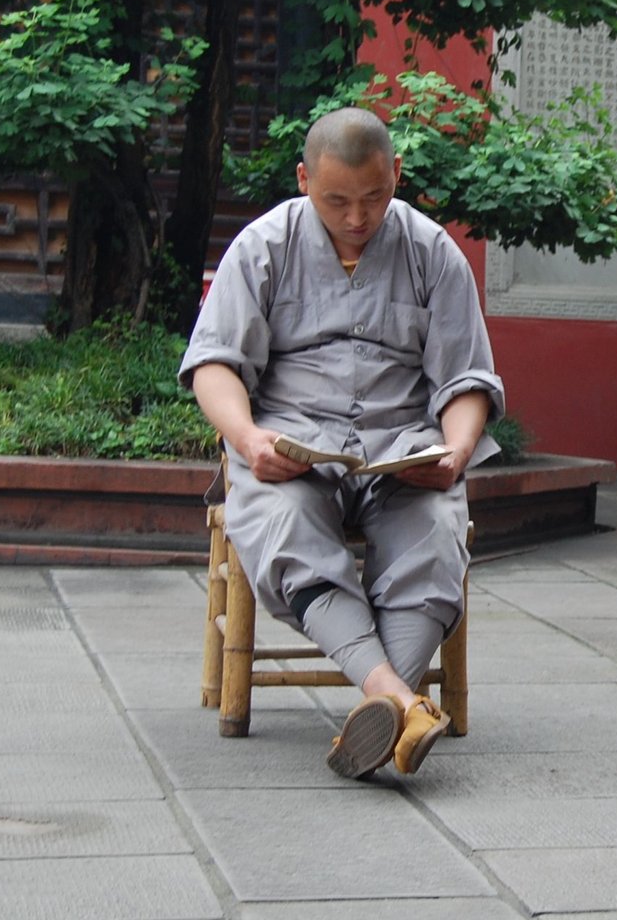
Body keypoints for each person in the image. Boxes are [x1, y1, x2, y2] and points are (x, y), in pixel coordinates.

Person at [180, 106, 503, 778]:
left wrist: (456, 452)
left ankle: (383, 707)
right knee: (284, 526)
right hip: (295, 446)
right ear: (303, 179)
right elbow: (214, 363)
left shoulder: (431, 251)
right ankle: (400, 701)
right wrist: (245, 438)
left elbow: (467, 376)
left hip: (400, 449)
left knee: (435, 532)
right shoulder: (263, 246)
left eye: (374, 198)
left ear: (397, 176)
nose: (357, 218)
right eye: (335, 201)